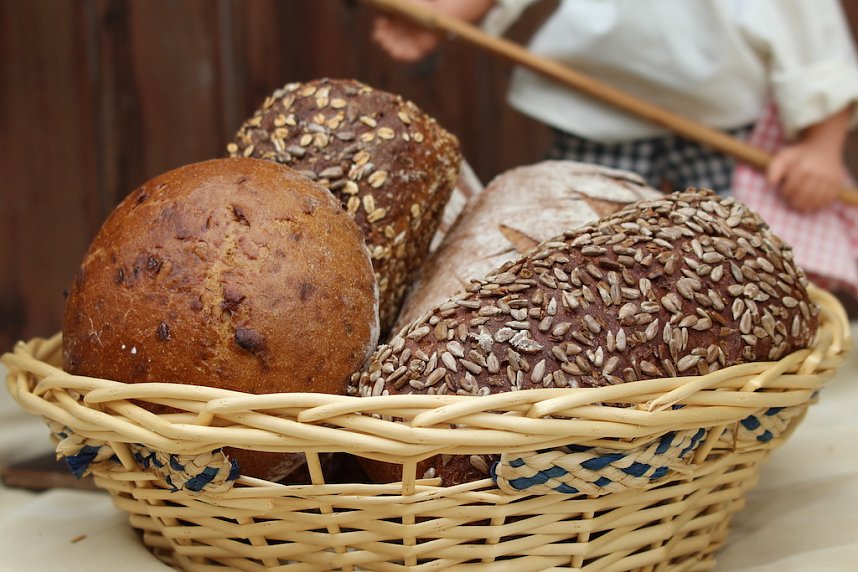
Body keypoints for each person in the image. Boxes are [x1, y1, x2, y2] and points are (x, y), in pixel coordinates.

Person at [373, 0, 858, 297]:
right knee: (575, 254)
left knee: (727, 262)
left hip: (714, 120)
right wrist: (437, 17)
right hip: (595, 110)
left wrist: (823, 143)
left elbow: (812, 30)